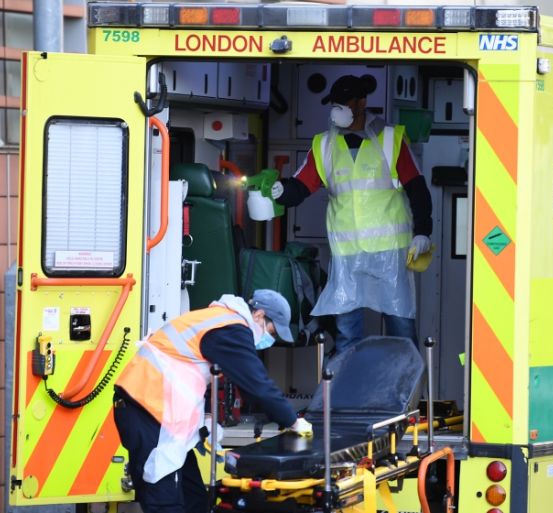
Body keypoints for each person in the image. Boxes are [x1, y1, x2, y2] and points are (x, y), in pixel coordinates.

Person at [272, 74, 433, 355]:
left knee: (401, 333)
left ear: (362, 103)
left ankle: (410, 398)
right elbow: (301, 187)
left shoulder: (391, 138)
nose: (338, 109)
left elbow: (417, 188)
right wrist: (279, 190)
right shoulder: (324, 145)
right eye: (335, 104)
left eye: (344, 103)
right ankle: (348, 398)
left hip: (389, 255)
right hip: (346, 256)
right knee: (347, 338)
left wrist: (423, 231)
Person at [112, 289, 313, 513]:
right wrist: (292, 421)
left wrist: (205, 415)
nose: (270, 339)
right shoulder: (231, 329)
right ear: (259, 315)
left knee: (194, 498)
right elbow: (257, 383)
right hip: (148, 409)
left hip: (157, 413)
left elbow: (191, 370)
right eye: (272, 331)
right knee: (165, 502)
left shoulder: (218, 320)